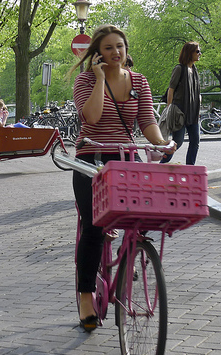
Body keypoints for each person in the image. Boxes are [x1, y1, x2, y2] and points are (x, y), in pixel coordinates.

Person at [69, 25, 171, 332]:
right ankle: (85, 295)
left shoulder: (139, 80)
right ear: (98, 54)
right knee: (93, 228)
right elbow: (92, 117)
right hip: (92, 157)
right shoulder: (86, 80)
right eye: (109, 47)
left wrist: (162, 143)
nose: (116, 52)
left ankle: (129, 250)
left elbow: (147, 121)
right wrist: (100, 78)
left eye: (120, 46)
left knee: (144, 214)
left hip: (126, 157)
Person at [160, 42, 202, 165]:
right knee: (177, 142)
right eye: (197, 51)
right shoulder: (179, 69)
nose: (200, 54)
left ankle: (190, 168)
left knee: (195, 141)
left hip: (193, 113)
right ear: (189, 53)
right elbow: (171, 89)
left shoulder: (194, 70)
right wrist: (169, 108)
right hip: (179, 112)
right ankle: (162, 164)